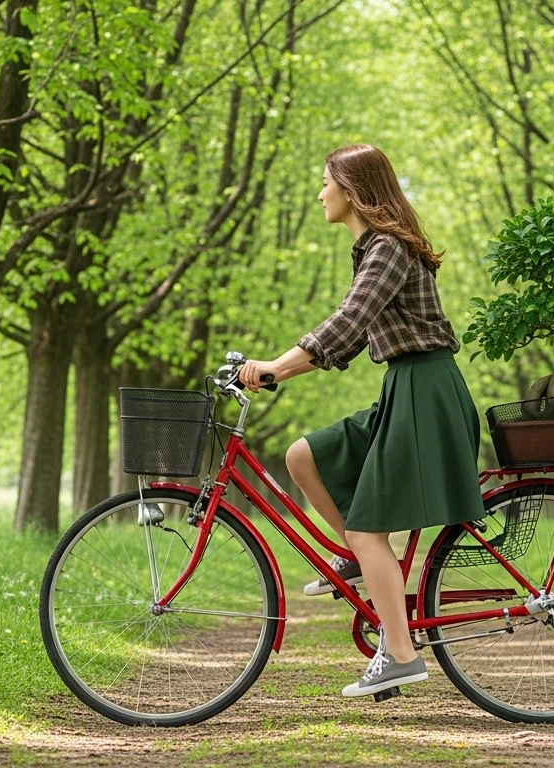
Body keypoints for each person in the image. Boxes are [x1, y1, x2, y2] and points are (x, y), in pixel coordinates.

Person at [237, 143, 487, 698]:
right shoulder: (374, 247)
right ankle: (362, 561)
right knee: (303, 457)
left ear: (352, 189)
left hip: (426, 390)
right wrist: (283, 366)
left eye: (326, 182)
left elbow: (350, 323)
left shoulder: (389, 248)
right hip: (405, 385)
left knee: (366, 525)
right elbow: (352, 336)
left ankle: (400, 654)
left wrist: (277, 367)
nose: (319, 192)